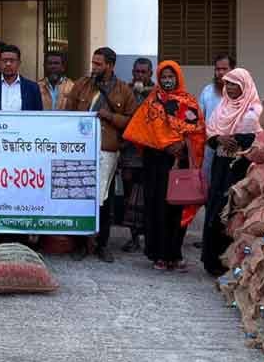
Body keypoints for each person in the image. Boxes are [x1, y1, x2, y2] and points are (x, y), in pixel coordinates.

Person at [123, 60, 206, 272]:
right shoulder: (152, 102)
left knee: (177, 210)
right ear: (158, 79)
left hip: (180, 164)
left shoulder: (189, 102)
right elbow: (140, 131)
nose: (168, 81)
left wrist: (182, 146)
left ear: (178, 78)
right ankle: (158, 255)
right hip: (156, 164)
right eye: (164, 77)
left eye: (171, 77)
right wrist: (164, 145)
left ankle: (175, 255)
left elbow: (198, 131)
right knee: (157, 208)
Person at [63, 47, 137, 263]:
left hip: (107, 151)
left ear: (110, 66)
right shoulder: (82, 85)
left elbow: (132, 122)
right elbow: (68, 114)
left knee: (103, 199)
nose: (93, 67)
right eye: (93, 63)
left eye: (98, 64)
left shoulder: (123, 90)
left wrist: (111, 116)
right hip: (81, 149)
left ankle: (102, 244)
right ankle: (80, 243)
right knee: (79, 196)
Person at [202, 68, 261, 276]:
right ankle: (211, 259)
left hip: (239, 169)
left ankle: (230, 261)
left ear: (244, 86)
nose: (230, 88)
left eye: (234, 84)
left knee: (233, 210)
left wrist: (237, 141)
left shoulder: (254, 110)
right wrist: (219, 139)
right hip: (220, 166)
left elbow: (258, 139)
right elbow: (210, 134)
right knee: (215, 207)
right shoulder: (222, 108)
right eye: (228, 84)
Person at [118, 57, 154, 253]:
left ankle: (149, 235)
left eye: (143, 72)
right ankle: (133, 238)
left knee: (149, 196)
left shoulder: (157, 93)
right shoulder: (125, 90)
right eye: (137, 72)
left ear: (151, 73)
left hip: (150, 152)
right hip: (129, 152)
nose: (139, 75)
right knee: (129, 196)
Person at [198, 53, 234, 184]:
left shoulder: (241, 93)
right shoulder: (207, 91)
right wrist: (216, 137)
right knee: (208, 186)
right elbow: (199, 122)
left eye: (224, 69)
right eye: (217, 69)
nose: (220, 72)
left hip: (232, 150)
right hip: (209, 149)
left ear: (233, 70)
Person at [0, 45, 42, 111]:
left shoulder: (32, 88)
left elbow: (38, 116)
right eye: (4, 61)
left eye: (12, 61)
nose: (8, 64)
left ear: (19, 63)